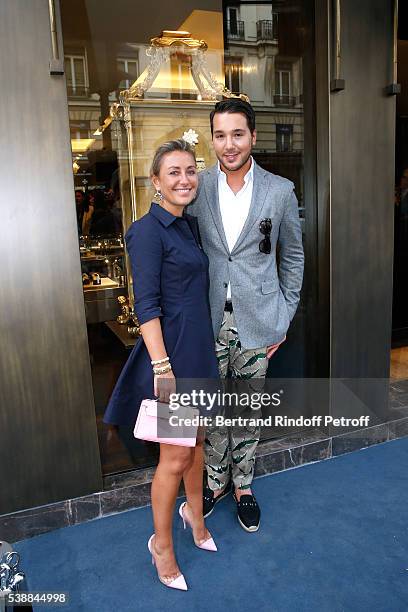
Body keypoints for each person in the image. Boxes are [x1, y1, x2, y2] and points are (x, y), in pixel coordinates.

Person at [103, 139, 219, 591]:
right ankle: (162, 546)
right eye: (173, 172)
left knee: (198, 443)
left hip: (199, 352)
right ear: (155, 181)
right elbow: (145, 305)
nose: (184, 179)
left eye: (190, 170)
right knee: (174, 456)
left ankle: (195, 516)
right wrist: (162, 366)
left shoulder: (187, 227)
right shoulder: (146, 231)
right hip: (170, 359)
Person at [188, 98, 304, 532]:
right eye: (220, 135)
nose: (229, 144)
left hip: (258, 322)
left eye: (238, 134)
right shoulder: (197, 188)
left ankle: (243, 486)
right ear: (212, 139)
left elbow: (292, 259)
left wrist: (285, 315)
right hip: (209, 320)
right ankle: (214, 482)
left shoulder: (280, 191)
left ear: (253, 137)